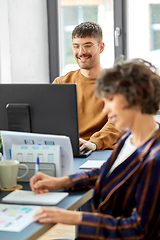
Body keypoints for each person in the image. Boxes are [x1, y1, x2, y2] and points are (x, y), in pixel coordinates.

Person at [30, 58, 160, 239]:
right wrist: (62, 181)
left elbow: (139, 230)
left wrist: (76, 217)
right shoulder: (129, 138)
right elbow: (107, 173)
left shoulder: (155, 159)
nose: (106, 110)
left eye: (111, 100)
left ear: (137, 95)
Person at [53, 21, 120, 152]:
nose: (81, 52)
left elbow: (117, 122)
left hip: (103, 150)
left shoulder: (117, 84)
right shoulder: (61, 83)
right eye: (76, 46)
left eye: (87, 45)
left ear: (101, 47)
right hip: (69, 150)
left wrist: (94, 143)